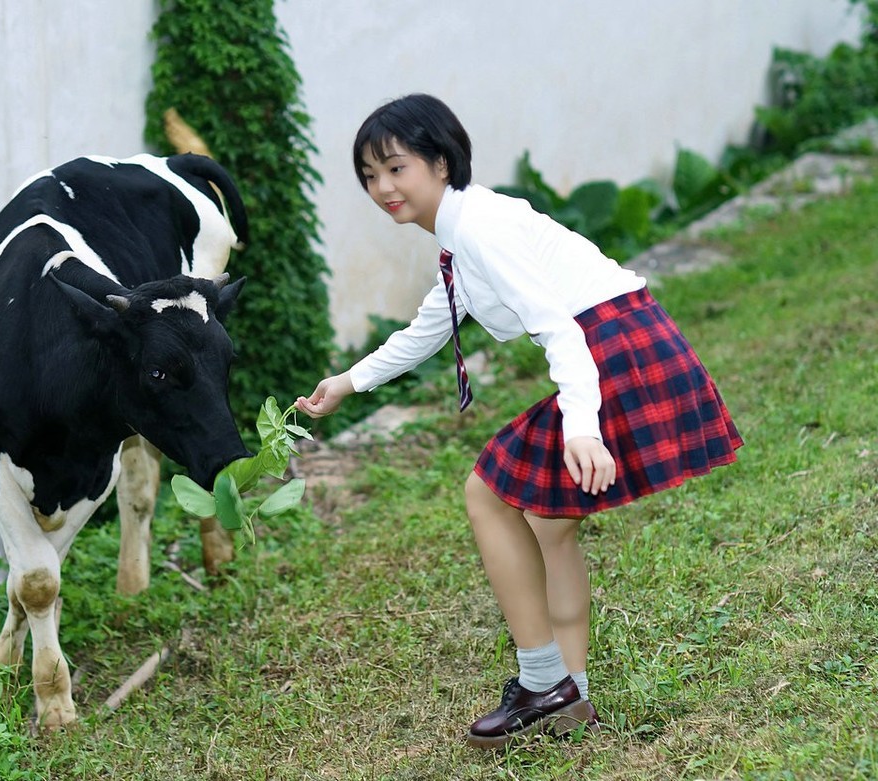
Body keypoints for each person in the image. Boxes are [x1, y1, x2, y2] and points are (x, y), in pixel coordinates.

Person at [295, 94, 743, 750]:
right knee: (548, 521)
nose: (382, 187)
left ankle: (542, 680)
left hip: (610, 348)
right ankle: (571, 698)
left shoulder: (479, 228)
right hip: (623, 338)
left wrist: (581, 426)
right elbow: (430, 325)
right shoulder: (464, 232)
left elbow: (558, 324)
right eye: (369, 175)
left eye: (396, 168)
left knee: (487, 490)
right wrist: (347, 382)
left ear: (441, 163)